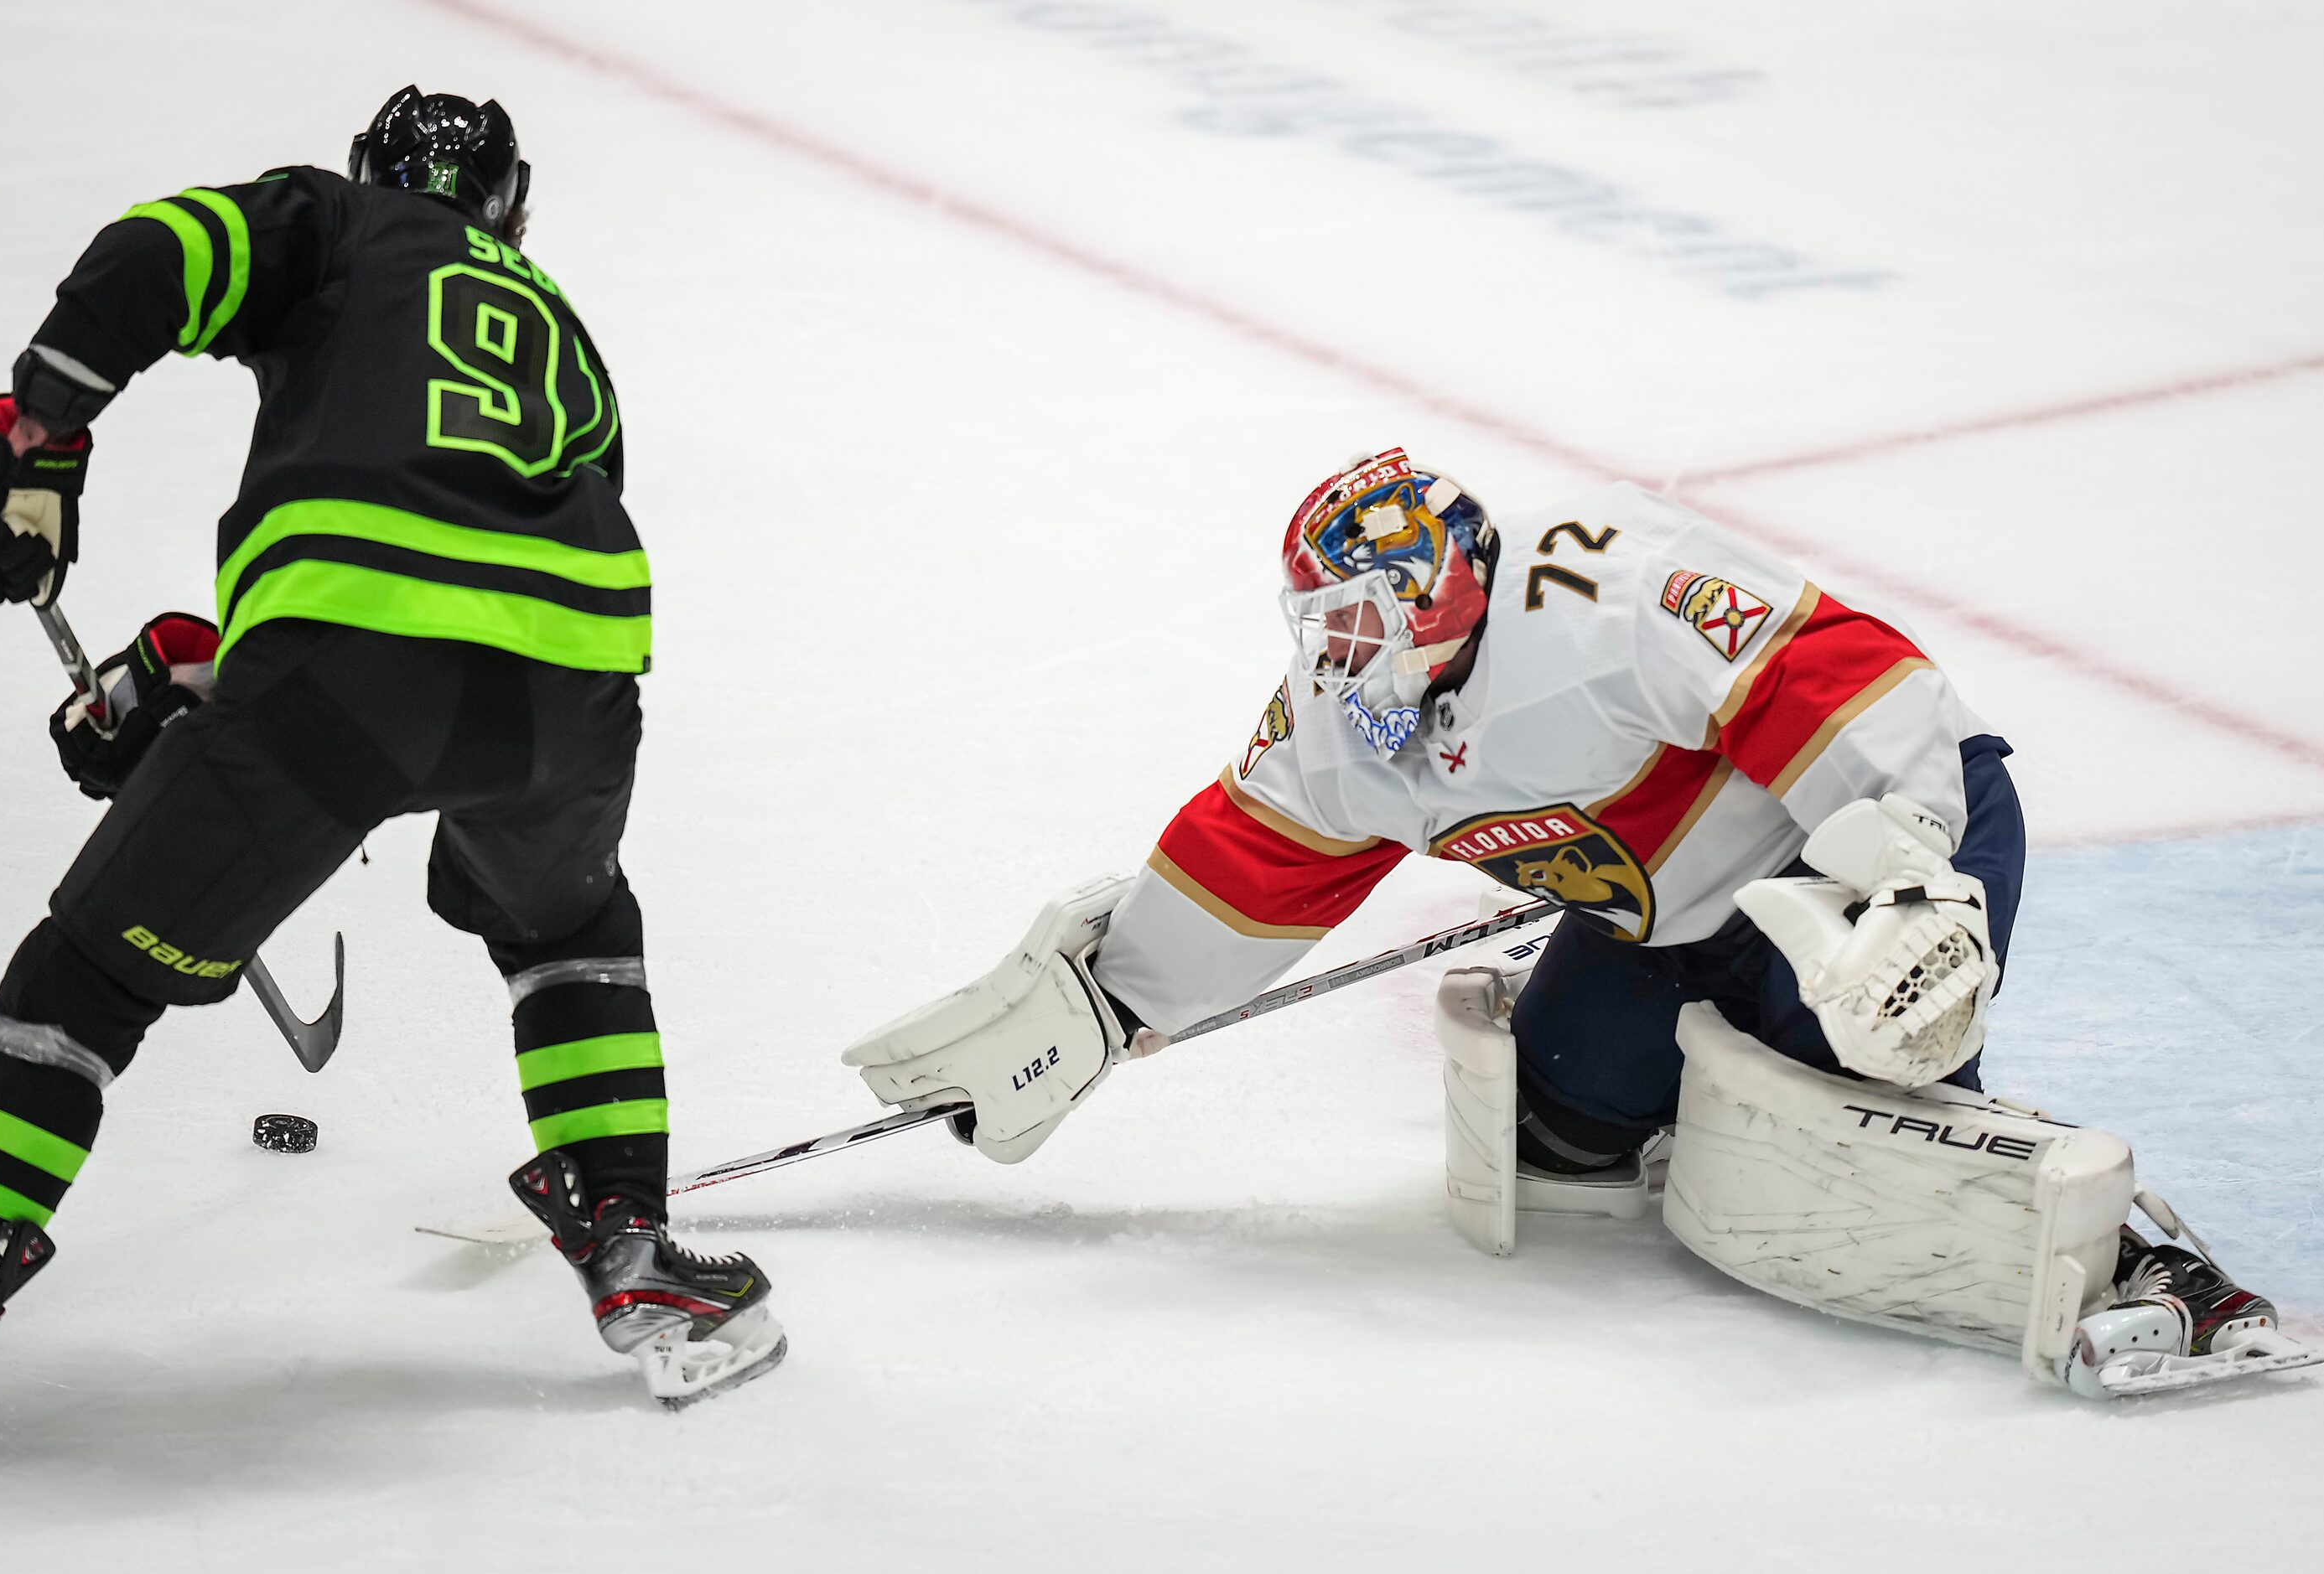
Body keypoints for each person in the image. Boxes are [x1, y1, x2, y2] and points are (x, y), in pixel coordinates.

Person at [840, 448, 2303, 1395]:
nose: (1334, 652)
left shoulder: (1600, 588)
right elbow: (1251, 864)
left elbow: (1847, 684)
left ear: (1437, 586)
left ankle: (2156, 1264)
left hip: (1862, 848)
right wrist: (1103, 1001)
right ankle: (1737, 1078)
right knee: (1562, 1122)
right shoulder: (1345, 728)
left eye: (1358, 616)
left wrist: (1909, 879)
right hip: (1668, 917)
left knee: (1879, 1082)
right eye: (1319, 625)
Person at [0, 87, 782, 1406]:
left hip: (344, 673)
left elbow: (160, 254)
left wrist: (39, 433)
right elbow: (468, 571)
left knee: (89, 977)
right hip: (570, 682)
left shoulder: (336, 223)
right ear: (513, 207)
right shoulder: (558, 332)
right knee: (570, 925)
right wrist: (188, 679)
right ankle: (632, 1240)